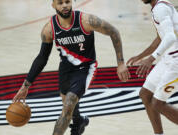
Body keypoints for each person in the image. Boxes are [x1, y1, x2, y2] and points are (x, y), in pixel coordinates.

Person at [13, 0, 130, 135]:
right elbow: (42, 58)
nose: (64, 6)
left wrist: (120, 62)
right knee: (69, 107)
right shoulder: (49, 29)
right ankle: (79, 121)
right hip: (65, 69)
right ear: (53, 6)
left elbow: (113, 32)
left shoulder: (86, 20)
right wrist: (25, 85)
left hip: (86, 68)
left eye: (67, 1)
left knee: (68, 104)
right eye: (60, 3)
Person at [127, 0, 178, 135]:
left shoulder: (160, 9)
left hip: (176, 61)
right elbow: (160, 38)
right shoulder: (158, 7)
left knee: (158, 104)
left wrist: (150, 59)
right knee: (145, 94)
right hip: (169, 58)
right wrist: (140, 56)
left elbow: (171, 37)